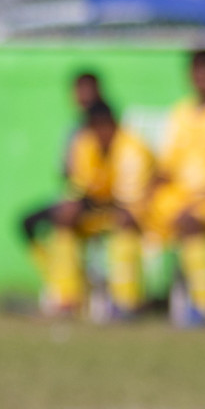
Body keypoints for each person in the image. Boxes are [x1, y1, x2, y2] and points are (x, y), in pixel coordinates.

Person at [41, 101, 154, 318]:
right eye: (95, 127)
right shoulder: (84, 145)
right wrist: (72, 206)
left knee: (124, 224)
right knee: (64, 220)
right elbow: (80, 190)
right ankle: (67, 298)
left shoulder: (132, 148)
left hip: (141, 213)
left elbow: (130, 205)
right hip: (103, 211)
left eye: (105, 126)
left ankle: (126, 301)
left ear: (114, 124)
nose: (101, 133)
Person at [149, 49, 205, 326]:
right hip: (183, 199)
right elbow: (167, 166)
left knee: (192, 221)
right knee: (131, 217)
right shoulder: (180, 113)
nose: (202, 76)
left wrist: (200, 199)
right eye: (197, 70)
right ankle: (131, 300)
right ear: (189, 75)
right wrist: (148, 192)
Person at [19, 71, 104, 255]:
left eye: (87, 90)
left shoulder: (105, 125)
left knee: (66, 217)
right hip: (74, 194)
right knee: (28, 222)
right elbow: (65, 170)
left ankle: (72, 279)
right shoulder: (73, 129)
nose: (83, 96)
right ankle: (54, 275)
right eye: (79, 91)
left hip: (97, 197)